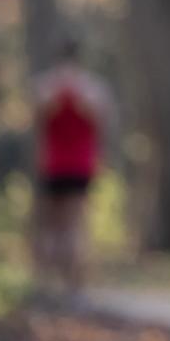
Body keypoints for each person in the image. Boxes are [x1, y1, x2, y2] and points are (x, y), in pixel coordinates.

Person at [31, 39, 115, 294]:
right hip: (81, 163)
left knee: (52, 224)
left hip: (53, 163)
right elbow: (103, 124)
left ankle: (47, 285)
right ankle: (74, 287)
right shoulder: (93, 88)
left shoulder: (45, 86)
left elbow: (37, 123)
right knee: (76, 223)